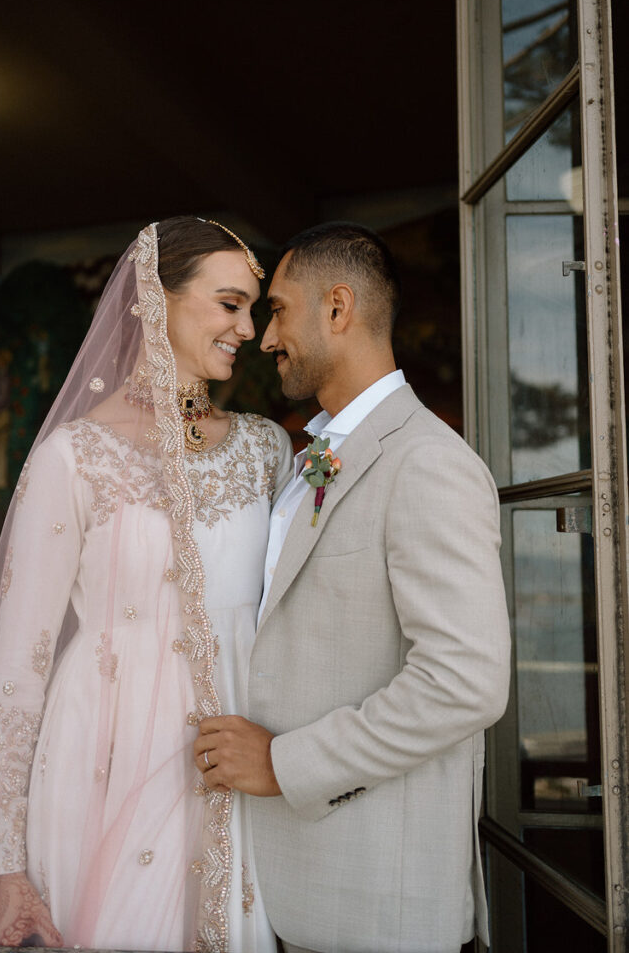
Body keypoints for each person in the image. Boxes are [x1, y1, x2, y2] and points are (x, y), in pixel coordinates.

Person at [0, 216, 293, 953]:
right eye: (229, 303)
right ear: (151, 301)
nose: (248, 327)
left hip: (238, 755)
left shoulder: (267, 449)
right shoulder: (73, 458)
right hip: (101, 762)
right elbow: (14, 672)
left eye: (253, 308)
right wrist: (3, 867)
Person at [194, 222, 512, 953]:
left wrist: (283, 763)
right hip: (293, 890)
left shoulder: (427, 462)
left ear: (336, 309)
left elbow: (463, 682)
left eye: (275, 309)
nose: (265, 337)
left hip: (373, 905)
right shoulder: (322, 453)